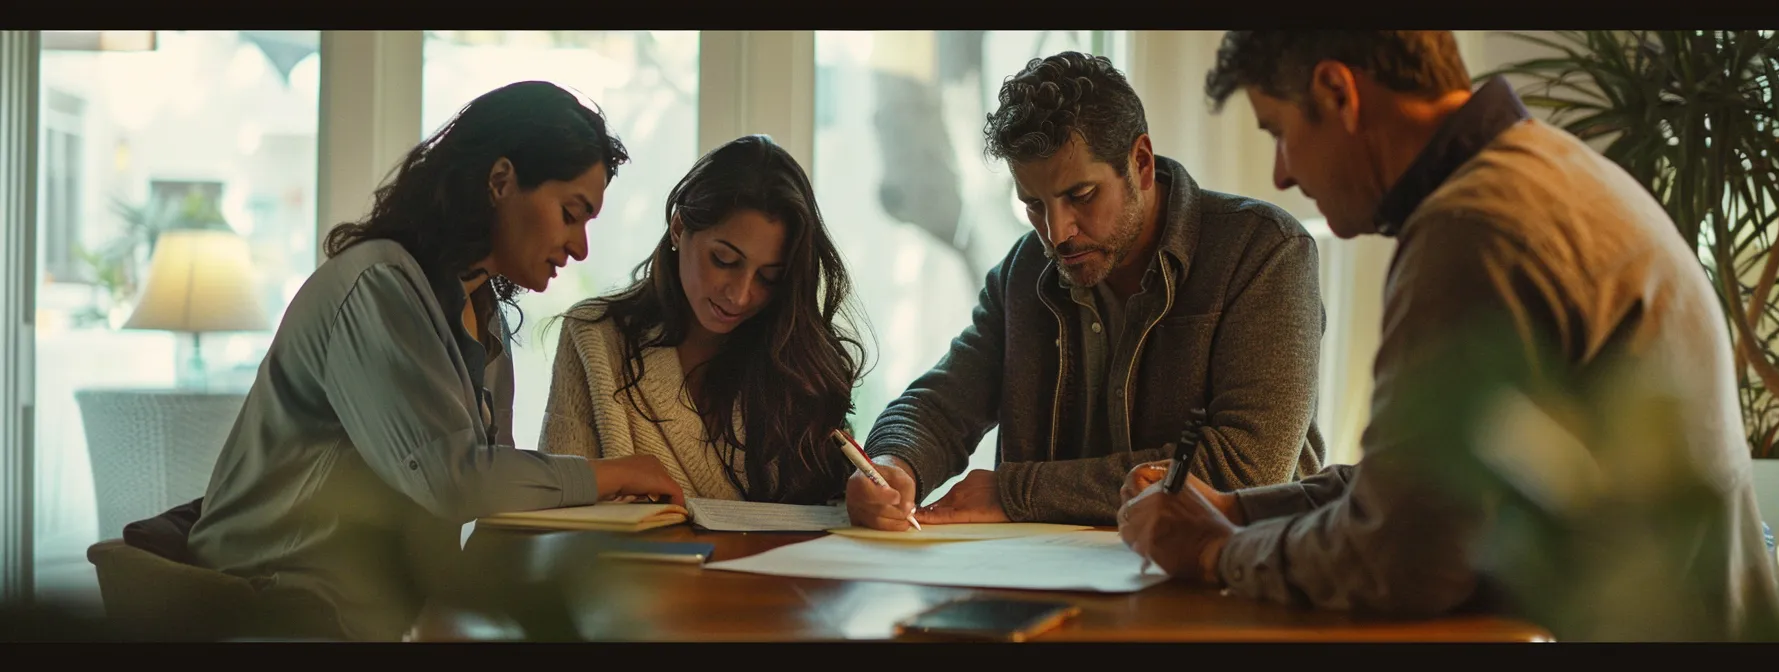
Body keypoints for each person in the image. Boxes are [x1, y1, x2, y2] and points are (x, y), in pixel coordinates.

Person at [1117, 31, 1779, 639]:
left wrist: (1212, 552)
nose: (1281, 174)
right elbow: (1429, 477)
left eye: (1279, 132)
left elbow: (1402, 558)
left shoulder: (1476, 226)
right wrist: (1236, 509)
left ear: (1337, 92)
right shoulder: (1549, 171)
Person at [185, 81, 685, 642]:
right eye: (572, 213)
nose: (581, 247)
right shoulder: (378, 285)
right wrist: (612, 473)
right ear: (500, 181)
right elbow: (453, 479)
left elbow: (491, 473)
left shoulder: (478, 306)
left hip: (373, 607)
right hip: (278, 606)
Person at [847, 51, 1328, 530]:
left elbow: (1246, 470)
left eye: (1080, 196)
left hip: (1218, 586)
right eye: (1034, 204)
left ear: (1140, 162)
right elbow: (941, 406)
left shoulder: (1265, 252)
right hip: (1054, 583)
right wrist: (892, 463)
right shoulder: (1022, 273)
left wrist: (1019, 493)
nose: (1057, 233)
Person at [541, 135, 869, 504]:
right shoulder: (594, 337)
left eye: (768, 277)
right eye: (724, 261)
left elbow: (836, 512)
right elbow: (560, 507)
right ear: (679, 228)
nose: (740, 294)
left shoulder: (798, 366)